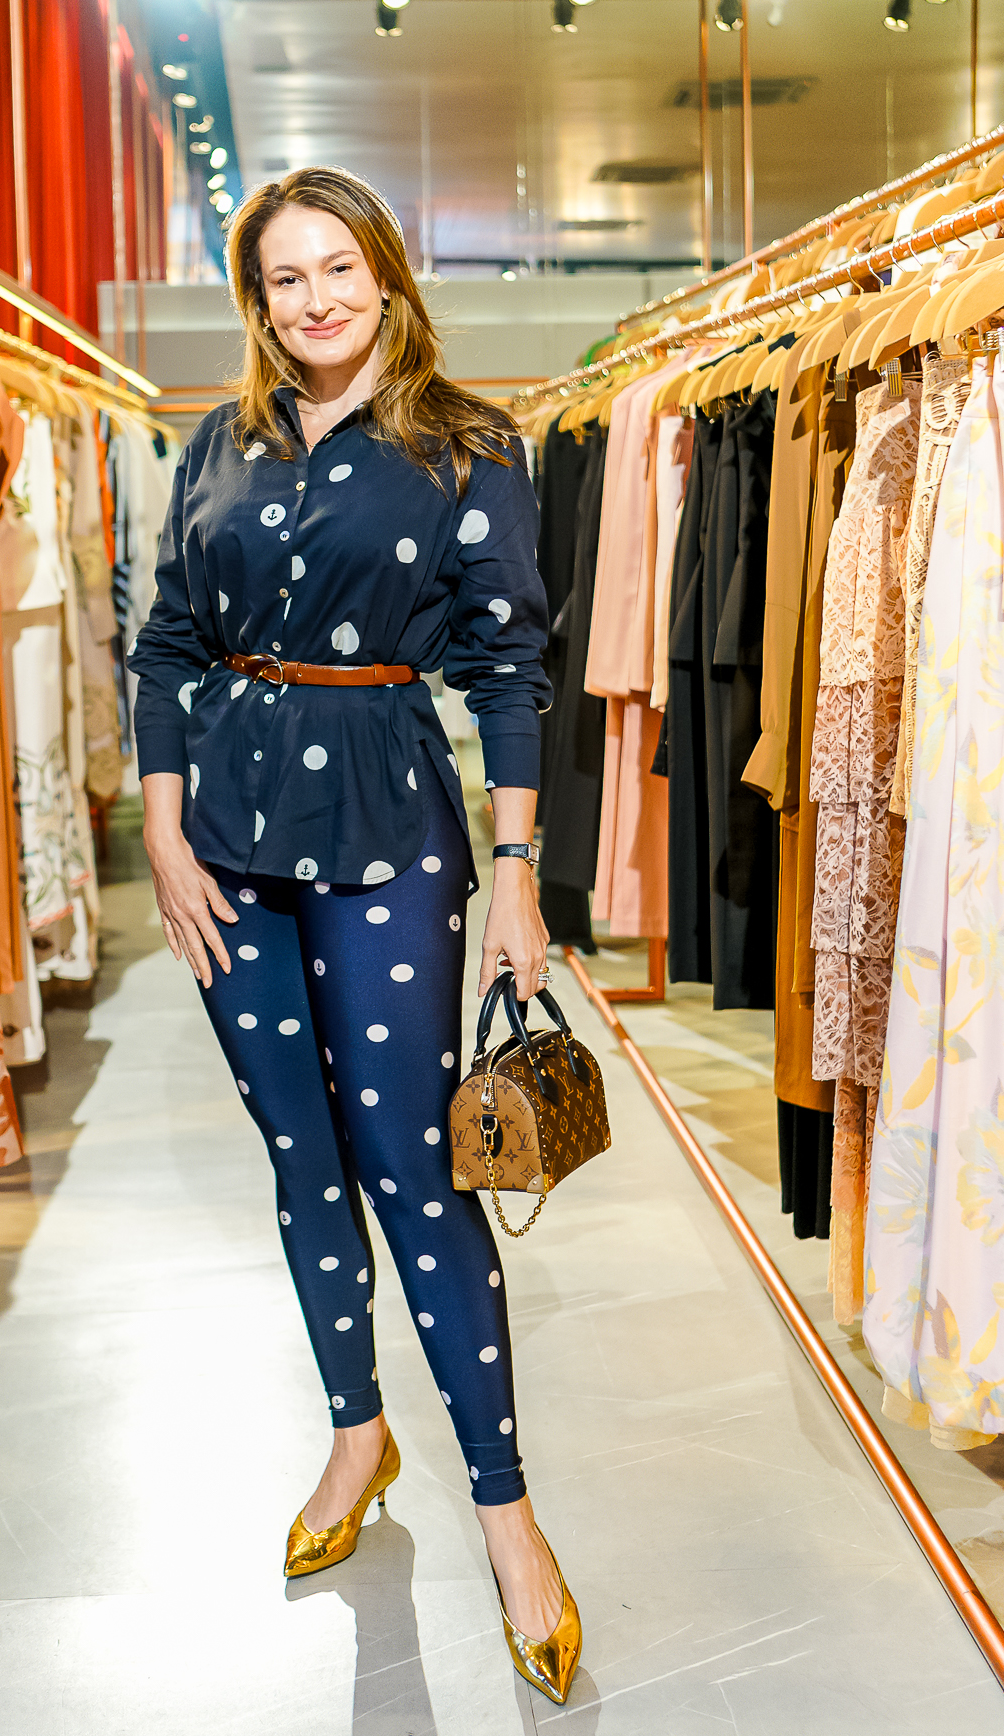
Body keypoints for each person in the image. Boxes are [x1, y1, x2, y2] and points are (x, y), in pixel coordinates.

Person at [130, 166, 580, 1704]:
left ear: (385, 273)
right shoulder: (221, 442)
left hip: (392, 831)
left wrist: (515, 876)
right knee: (300, 1161)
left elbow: (510, 671)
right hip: (228, 848)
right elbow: (168, 641)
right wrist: (161, 825)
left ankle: (506, 1518)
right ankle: (355, 1434)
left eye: (337, 267)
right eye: (284, 277)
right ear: (258, 300)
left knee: (415, 1168)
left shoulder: (469, 444)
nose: (314, 298)